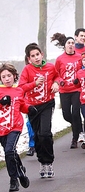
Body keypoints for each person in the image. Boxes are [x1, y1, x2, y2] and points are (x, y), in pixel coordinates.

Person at [19, 43, 59, 178]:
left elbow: (57, 77)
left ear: (42, 54)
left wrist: (56, 83)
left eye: (37, 54)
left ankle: (49, 162)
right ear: (29, 58)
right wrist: (34, 84)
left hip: (47, 103)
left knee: (45, 133)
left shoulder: (50, 67)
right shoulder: (27, 70)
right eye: (33, 56)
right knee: (37, 136)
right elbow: (21, 88)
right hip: (33, 106)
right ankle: (42, 161)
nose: (36, 58)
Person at [0, 63, 30, 192]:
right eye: (4, 77)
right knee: (11, 152)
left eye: (9, 76)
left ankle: (13, 179)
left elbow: (22, 106)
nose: (7, 79)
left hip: (15, 126)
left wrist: (30, 109)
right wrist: (1, 103)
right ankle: (21, 172)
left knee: (9, 151)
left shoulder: (19, 90)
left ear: (14, 76)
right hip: (2, 127)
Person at [52, 33, 85, 148]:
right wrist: (60, 81)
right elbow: (55, 74)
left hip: (77, 89)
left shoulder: (79, 57)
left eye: (72, 43)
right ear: (65, 46)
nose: (71, 45)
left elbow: (84, 70)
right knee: (66, 115)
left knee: (76, 112)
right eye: (68, 43)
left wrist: (79, 78)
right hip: (64, 90)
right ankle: (78, 127)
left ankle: (75, 138)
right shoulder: (60, 59)